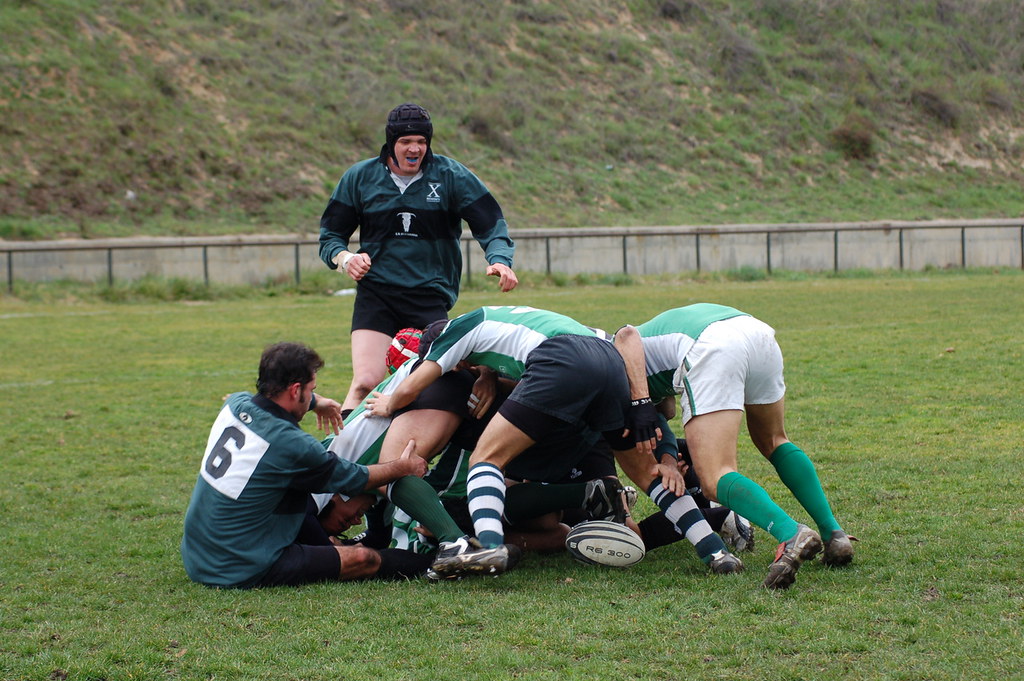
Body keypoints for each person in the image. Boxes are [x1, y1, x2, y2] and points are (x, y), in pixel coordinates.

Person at [365, 306, 743, 578]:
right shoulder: (515, 319)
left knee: (487, 459)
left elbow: (422, 376)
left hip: (561, 362)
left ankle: (489, 545)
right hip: (609, 363)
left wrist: (388, 401)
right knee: (649, 478)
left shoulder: (461, 327)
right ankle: (715, 552)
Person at [614, 303, 855, 589]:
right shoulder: (651, 349)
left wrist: (640, 404)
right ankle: (834, 534)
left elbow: (625, 335)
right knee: (775, 440)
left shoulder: (612, 357)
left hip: (712, 347)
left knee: (714, 478)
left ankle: (792, 534)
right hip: (756, 333)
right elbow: (664, 409)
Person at [318, 102, 519, 414]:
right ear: (391, 144)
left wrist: (500, 259)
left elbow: (490, 222)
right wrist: (346, 259)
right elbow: (330, 236)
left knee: (449, 376)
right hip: (377, 294)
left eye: (421, 142)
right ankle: (339, 456)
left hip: (429, 296)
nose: (414, 149)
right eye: (405, 142)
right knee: (365, 381)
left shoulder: (452, 177)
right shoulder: (360, 178)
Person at [180, 341, 429, 589]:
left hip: (197, 555)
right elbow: (357, 478)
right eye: (311, 389)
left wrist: (314, 402)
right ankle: (437, 562)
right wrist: (402, 466)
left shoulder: (235, 405)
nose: (312, 395)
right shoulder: (291, 443)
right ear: (295, 390)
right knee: (363, 558)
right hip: (239, 566)